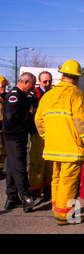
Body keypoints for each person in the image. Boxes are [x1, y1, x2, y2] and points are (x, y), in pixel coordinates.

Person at [35, 60, 84, 225]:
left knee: (57, 178)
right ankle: (65, 215)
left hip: (53, 147)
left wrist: (48, 137)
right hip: (71, 147)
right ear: (77, 78)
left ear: (62, 75)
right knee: (69, 182)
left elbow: (39, 120)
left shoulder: (48, 95)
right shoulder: (75, 94)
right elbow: (81, 122)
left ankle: (57, 207)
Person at [3, 72, 44, 212]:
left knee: (12, 166)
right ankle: (26, 197)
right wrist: (29, 113)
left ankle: (12, 197)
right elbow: (12, 116)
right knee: (20, 167)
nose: (32, 89)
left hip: (15, 136)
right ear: (26, 82)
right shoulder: (15, 95)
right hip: (14, 136)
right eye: (32, 85)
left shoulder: (21, 95)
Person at [28, 71, 53, 198]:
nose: (47, 84)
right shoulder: (33, 94)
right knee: (37, 162)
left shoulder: (53, 94)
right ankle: (35, 191)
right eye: (45, 81)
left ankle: (48, 188)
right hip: (37, 132)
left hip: (51, 133)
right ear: (40, 81)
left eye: (49, 81)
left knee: (50, 163)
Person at [0, 76, 9, 179]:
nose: (3, 89)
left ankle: (1, 169)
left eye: (4, 87)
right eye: (2, 87)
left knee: (3, 150)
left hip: (4, 127)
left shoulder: (4, 97)